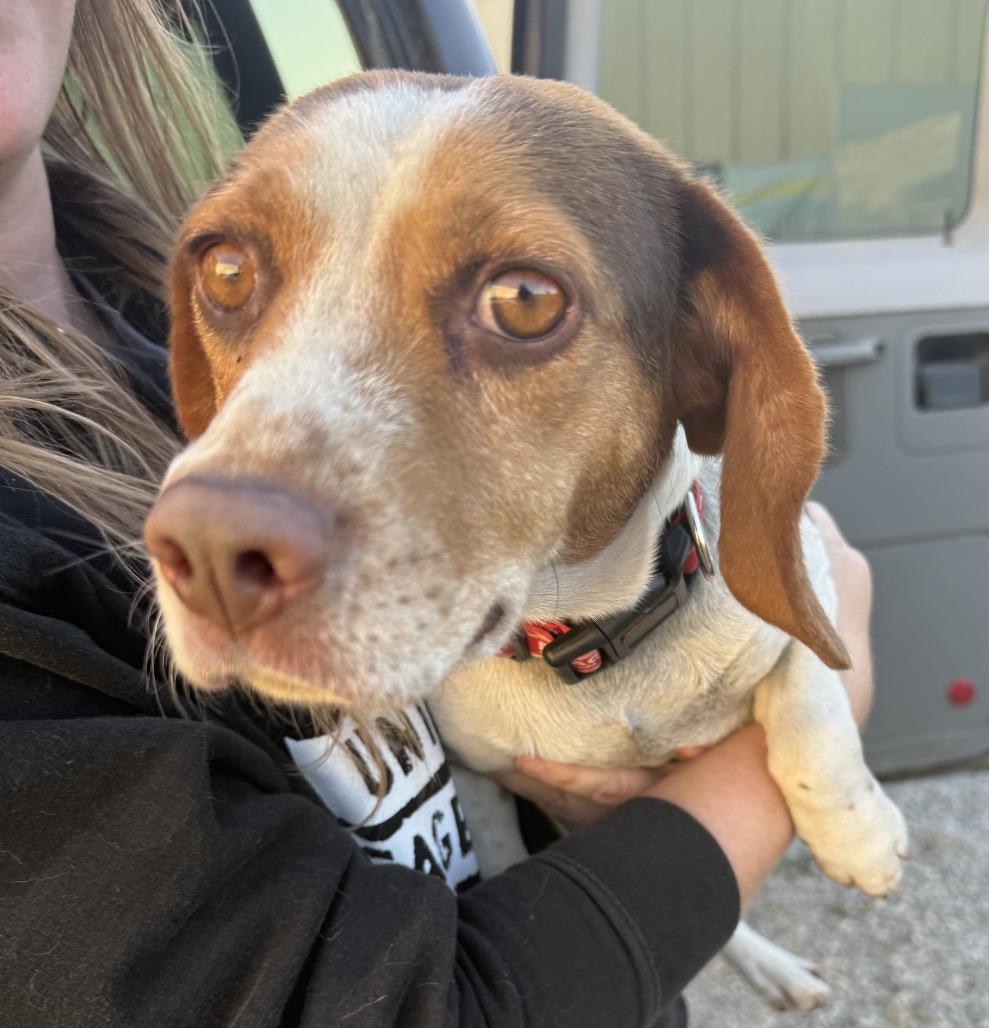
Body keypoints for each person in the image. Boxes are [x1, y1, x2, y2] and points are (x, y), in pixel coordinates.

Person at [0, 2, 874, 1025]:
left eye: (519, 304)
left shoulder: (144, 307)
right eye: (236, 280)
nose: (214, 506)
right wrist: (782, 760)